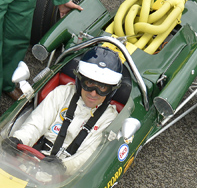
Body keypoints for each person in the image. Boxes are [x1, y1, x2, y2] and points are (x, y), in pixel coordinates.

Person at [8, 46, 123, 174]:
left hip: (68, 174)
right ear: (80, 81)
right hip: (37, 156)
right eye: (89, 84)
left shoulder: (109, 119)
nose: (94, 93)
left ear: (111, 90)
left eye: (102, 87)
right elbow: (37, 122)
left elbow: (88, 155)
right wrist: (19, 139)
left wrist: (63, 166)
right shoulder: (62, 93)